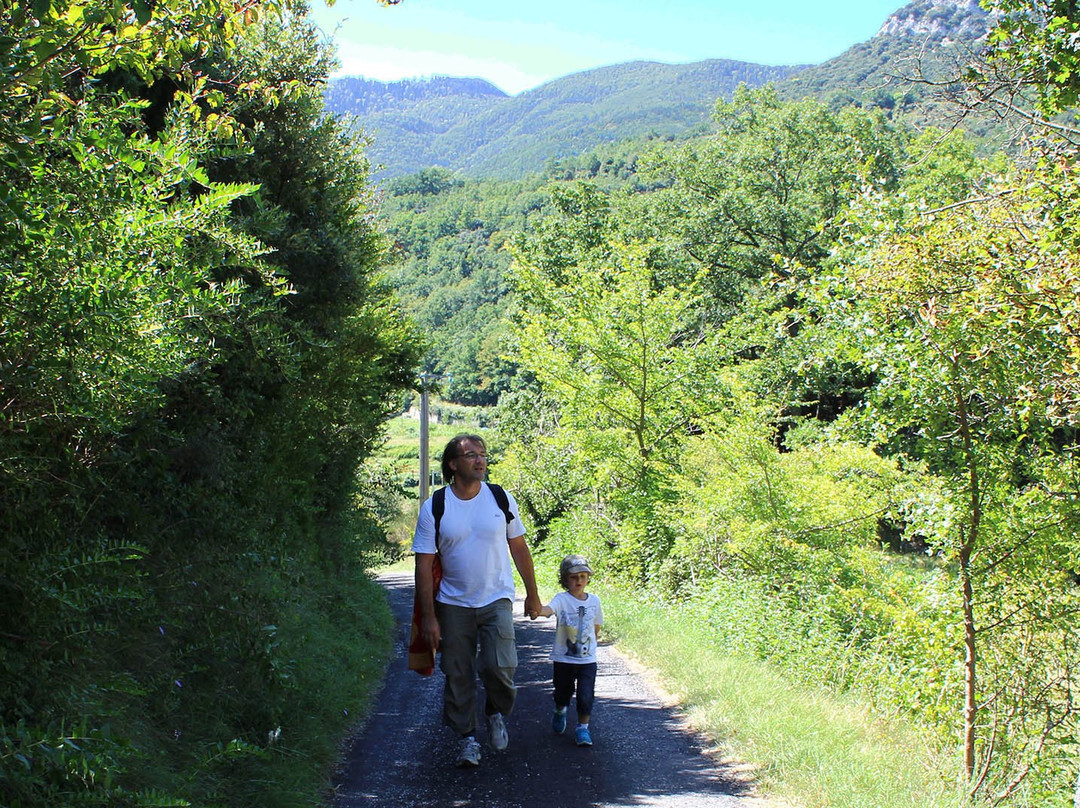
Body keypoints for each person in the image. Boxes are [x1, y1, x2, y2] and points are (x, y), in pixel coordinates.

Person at [413, 434, 542, 768]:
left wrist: (533, 593)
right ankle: (467, 738)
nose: (480, 460)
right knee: (458, 672)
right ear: (453, 464)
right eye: (471, 455)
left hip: (497, 597)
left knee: (502, 667)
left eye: (483, 454)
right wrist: (429, 618)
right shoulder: (436, 506)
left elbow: (518, 546)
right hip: (453, 603)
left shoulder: (500, 498)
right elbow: (423, 564)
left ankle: (494, 711)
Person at [535, 554, 604, 747]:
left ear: (588, 578)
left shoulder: (595, 601)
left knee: (586, 695)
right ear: (565, 579)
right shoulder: (562, 599)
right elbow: (548, 610)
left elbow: (596, 627)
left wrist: (590, 647)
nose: (579, 581)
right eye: (574, 577)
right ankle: (560, 709)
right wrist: (536, 609)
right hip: (564, 659)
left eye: (583, 576)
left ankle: (583, 729)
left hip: (587, 660)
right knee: (562, 692)